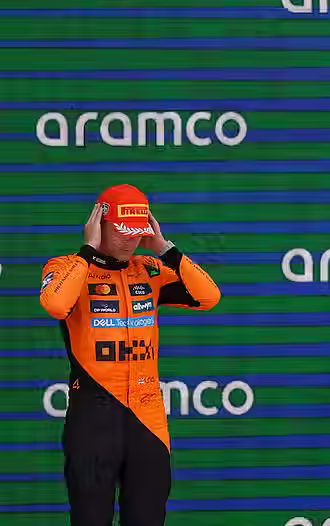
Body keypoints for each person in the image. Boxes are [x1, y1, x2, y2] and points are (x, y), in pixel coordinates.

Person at [39, 184, 221, 526]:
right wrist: (88, 251)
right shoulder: (67, 266)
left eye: (138, 233)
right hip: (93, 417)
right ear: (99, 223)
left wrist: (166, 249)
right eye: (122, 232)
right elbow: (56, 304)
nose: (130, 241)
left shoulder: (149, 270)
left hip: (147, 417)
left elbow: (209, 296)